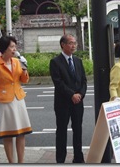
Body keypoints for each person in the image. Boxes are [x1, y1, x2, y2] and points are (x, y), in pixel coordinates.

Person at [0, 36, 32, 163]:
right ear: (4, 49)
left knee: (21, 132)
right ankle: (11, 162)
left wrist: (25, 68)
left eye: (14, 46)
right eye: (12, 47)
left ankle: (21, 162)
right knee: (8, 134)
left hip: (19, 99)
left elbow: (25, 80)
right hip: (5, 101)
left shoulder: (17, 62)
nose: (14, 49)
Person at [49, 34, 87, 163]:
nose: (73, 45)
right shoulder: (55, 62)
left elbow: (83, 81)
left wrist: (80, 94)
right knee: (61, 131)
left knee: (78, 130)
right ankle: (60, 159)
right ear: (63, 45)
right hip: (63, 103)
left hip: (78, 102)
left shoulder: (78, 61)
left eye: (74, 43)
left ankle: (78, 157)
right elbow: (58, 83)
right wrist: (71, 94)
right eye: (70, 43)